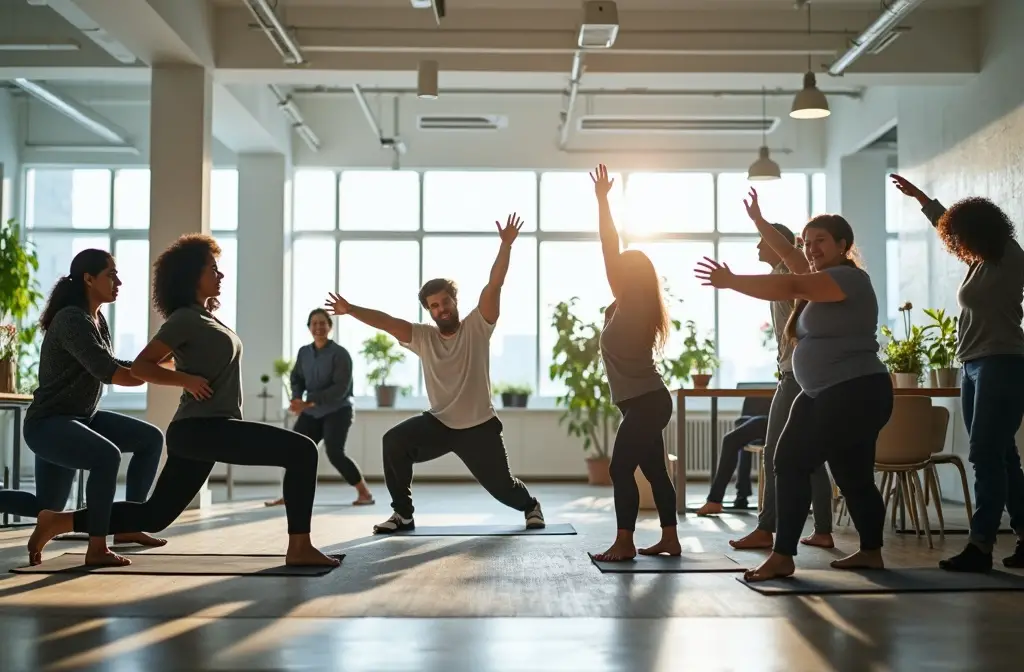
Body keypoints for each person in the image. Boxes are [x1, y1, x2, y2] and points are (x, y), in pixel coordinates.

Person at [28, 234, 339, 568]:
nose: (220, 275)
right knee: (302, 451)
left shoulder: (205, 318)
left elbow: (150, 365)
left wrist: (181, 368)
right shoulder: (185, 318)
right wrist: (184, 379)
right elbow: (143, 365)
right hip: (203, 428)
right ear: (193, 274)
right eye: (213, 269)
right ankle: (299, 547)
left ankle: (59, 521)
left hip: (200, 431)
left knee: (154, 515)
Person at [695, 213, 893, 582]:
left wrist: (732, 281)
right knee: (849, 477)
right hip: (822, 390)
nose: (811, 248)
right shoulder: (818, 276)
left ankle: (784, 555)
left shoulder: (848, 278)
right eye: (808, 241)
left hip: (855, 390)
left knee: (796, 463)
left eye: (820, 240)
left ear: (842, 245)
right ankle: (869, 552)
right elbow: (786, 251)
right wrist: (756, 218)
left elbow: (787, 284)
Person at [324, 213, 545, 534]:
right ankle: (403, 514)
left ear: (455, 301)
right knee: (394, 442)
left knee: (503, 488)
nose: (441, 309)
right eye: (434, 306)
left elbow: (494, 284)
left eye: (445, 302)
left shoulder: (477, 327)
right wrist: (351, 309)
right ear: (429, 311)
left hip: (479, 427)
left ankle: (531, 506)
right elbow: (386, 321)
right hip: (439, 423)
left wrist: (506, 246)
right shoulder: (423, 337)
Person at [891, 175, 1024, 572]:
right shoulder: (978, 263)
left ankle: (980, 547)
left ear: (980, 231)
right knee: (1004, 456)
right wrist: (923, 201)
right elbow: (946, 222)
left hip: (1002, 363)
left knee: (984, 454)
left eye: (962, 234)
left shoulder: (1010, 257)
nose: (957, 243)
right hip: (972, 366)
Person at [0, 249, 165, 567]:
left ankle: (128, 526)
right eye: (111, 274)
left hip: (82, 419)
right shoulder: (71, 319)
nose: (118, 281)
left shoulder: (96, 318)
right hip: (48, 425)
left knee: (149, 439)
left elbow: (113, 363)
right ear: (89, 279)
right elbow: (110, 372)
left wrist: (160, 364)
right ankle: (97, 547)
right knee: (106, 457)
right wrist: (170, 377)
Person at [710, 191, 835, 551]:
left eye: (762, 243)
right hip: (796, 373)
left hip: (797, 376)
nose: (757, 249)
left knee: (775, 452)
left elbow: (787, 251)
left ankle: (768, 528)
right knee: (809, 456)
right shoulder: (795, 276)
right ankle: (821, 530)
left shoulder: (791, 273)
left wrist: (759, 224)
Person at [588, 164, 679, 562]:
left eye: (620, 268)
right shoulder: (624, 306)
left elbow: (608, 245)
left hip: (646, 401)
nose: (612, 270)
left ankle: (624, 543)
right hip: (643, 400)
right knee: (655, 471)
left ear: (630, 276)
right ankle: (670, 538)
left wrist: (603, 201)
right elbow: (612, 252)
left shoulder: (633, 303)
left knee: (619, 469)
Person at [265, 308, 374, 508]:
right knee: (294, 450)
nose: (318, 327)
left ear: (330, 327)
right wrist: (297, 398)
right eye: (314, 323)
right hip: (312, 411)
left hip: (338, 410)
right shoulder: (304, 352)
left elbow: (340, 389)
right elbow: (296, 377)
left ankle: (364, 493)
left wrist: (308, 401)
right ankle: (289, 495)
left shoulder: (340, 354)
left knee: (334, 452)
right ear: (309, 327)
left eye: (323, 323)